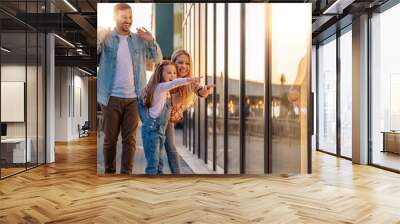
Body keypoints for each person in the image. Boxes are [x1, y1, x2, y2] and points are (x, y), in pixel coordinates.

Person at [97, 3, 162, 174]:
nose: (128, 20)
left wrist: (151, 40)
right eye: (124, 17)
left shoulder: (139, 40)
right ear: (115, 17)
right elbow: (94, 54)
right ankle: (109, 172)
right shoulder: (107, 38)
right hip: (111, 98)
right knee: (110, 140)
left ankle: (126, 175)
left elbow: (158, 59)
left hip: (134, 99)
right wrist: (99, 36)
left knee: (130, 140)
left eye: (130, 17)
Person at [138, 61, 200, 175]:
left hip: (160, 130)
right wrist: (190, 80)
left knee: (160, 162)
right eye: (169, 73)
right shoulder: (160, 87)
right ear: (161, 74)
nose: (172, 75)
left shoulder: (165, 92)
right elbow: (174, 84)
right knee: (153, 164)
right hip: (152, 129)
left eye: (174, 73)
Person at [164, 49, 214, 174]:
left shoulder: (190, 81)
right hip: (156, 116)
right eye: (180, 62)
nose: (184, 66)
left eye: (187, 64)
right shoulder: (166, 75)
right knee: (157, 149)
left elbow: (200, 91)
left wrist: (206, 90)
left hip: (168, 119)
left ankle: (177, 177)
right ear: (173, 62)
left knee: (171, 148)